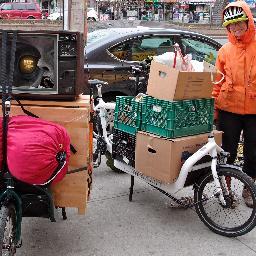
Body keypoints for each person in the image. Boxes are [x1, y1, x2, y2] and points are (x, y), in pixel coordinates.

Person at [212, 0, 256, 207]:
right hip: (228, 108)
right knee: (226, 151)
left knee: (253, 151)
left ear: (249, 22)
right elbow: (217, 82)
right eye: (231, 25)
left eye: (240, 23)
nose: (236, 28)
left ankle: (249, 188)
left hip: (254, 111)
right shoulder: (224, 51)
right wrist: (213, 107)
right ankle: (226, 189)